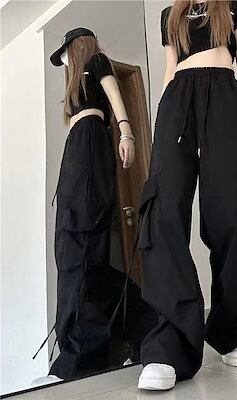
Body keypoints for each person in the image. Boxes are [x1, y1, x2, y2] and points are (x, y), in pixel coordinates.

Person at [136, 1, 237, 391]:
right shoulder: (169, 14)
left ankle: (228, 330)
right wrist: (162, 119)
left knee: (230, 210)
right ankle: (169, 345)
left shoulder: (228, 4)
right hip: (177, 99)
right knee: (162, 210)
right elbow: (169, 69)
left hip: (225, 94)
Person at [33, 27, 135, 385]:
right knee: (75, 252)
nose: (64, 61)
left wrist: (126, 132)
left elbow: (115, 95)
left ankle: (78, 359)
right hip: (78, 146)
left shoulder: (97, 60)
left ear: (77, 46)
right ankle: (145, 324)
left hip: (92, 141)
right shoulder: (76, 82)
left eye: (65, 52)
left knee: (83, 251)